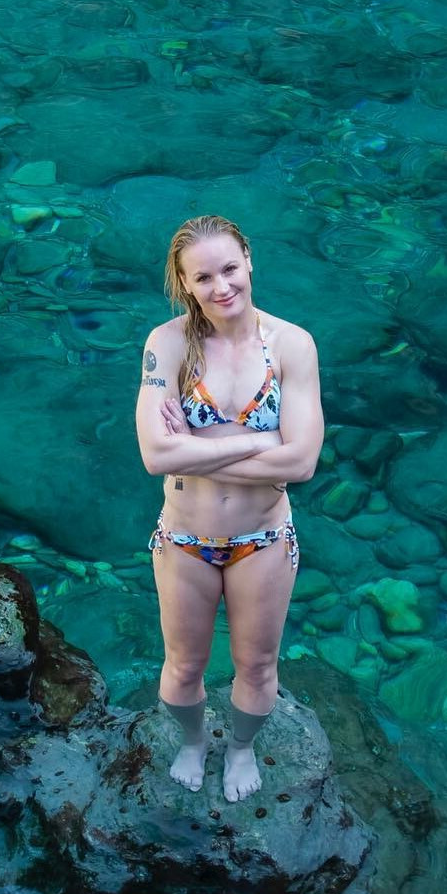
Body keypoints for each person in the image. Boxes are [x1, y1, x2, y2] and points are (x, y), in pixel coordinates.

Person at [134, 214, 323, 803]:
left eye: (229, 269)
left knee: (257, 667)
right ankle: (194, 743)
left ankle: (239, 750)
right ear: (185, 283)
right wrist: (253, 441)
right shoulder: (166, 345)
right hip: (184, 539)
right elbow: (154, 454)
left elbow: (301, 465)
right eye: (204, 277)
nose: (221, 287)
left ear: (249, 259)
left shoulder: (291, 346)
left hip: (263, 539)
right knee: (181, 670)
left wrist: (196, 450)